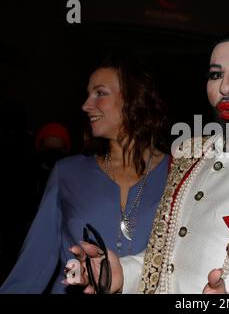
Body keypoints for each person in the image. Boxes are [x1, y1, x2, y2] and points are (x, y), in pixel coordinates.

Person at [67, 32, 229, 294]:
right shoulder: (191, 154)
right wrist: (122, 274)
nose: (225, 86)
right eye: (216, 74)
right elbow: (166, 259)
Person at [0, 54, 170, 293]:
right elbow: (33, 265)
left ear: (134, 98)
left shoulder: (178, 173)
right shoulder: (68, 173)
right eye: (88, 94)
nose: (86, 105)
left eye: (100, 93)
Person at [35, 122, 72, 200]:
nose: (53, 154)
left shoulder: (72, 177)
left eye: (58, 150)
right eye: (48, 149)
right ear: (40, 148)